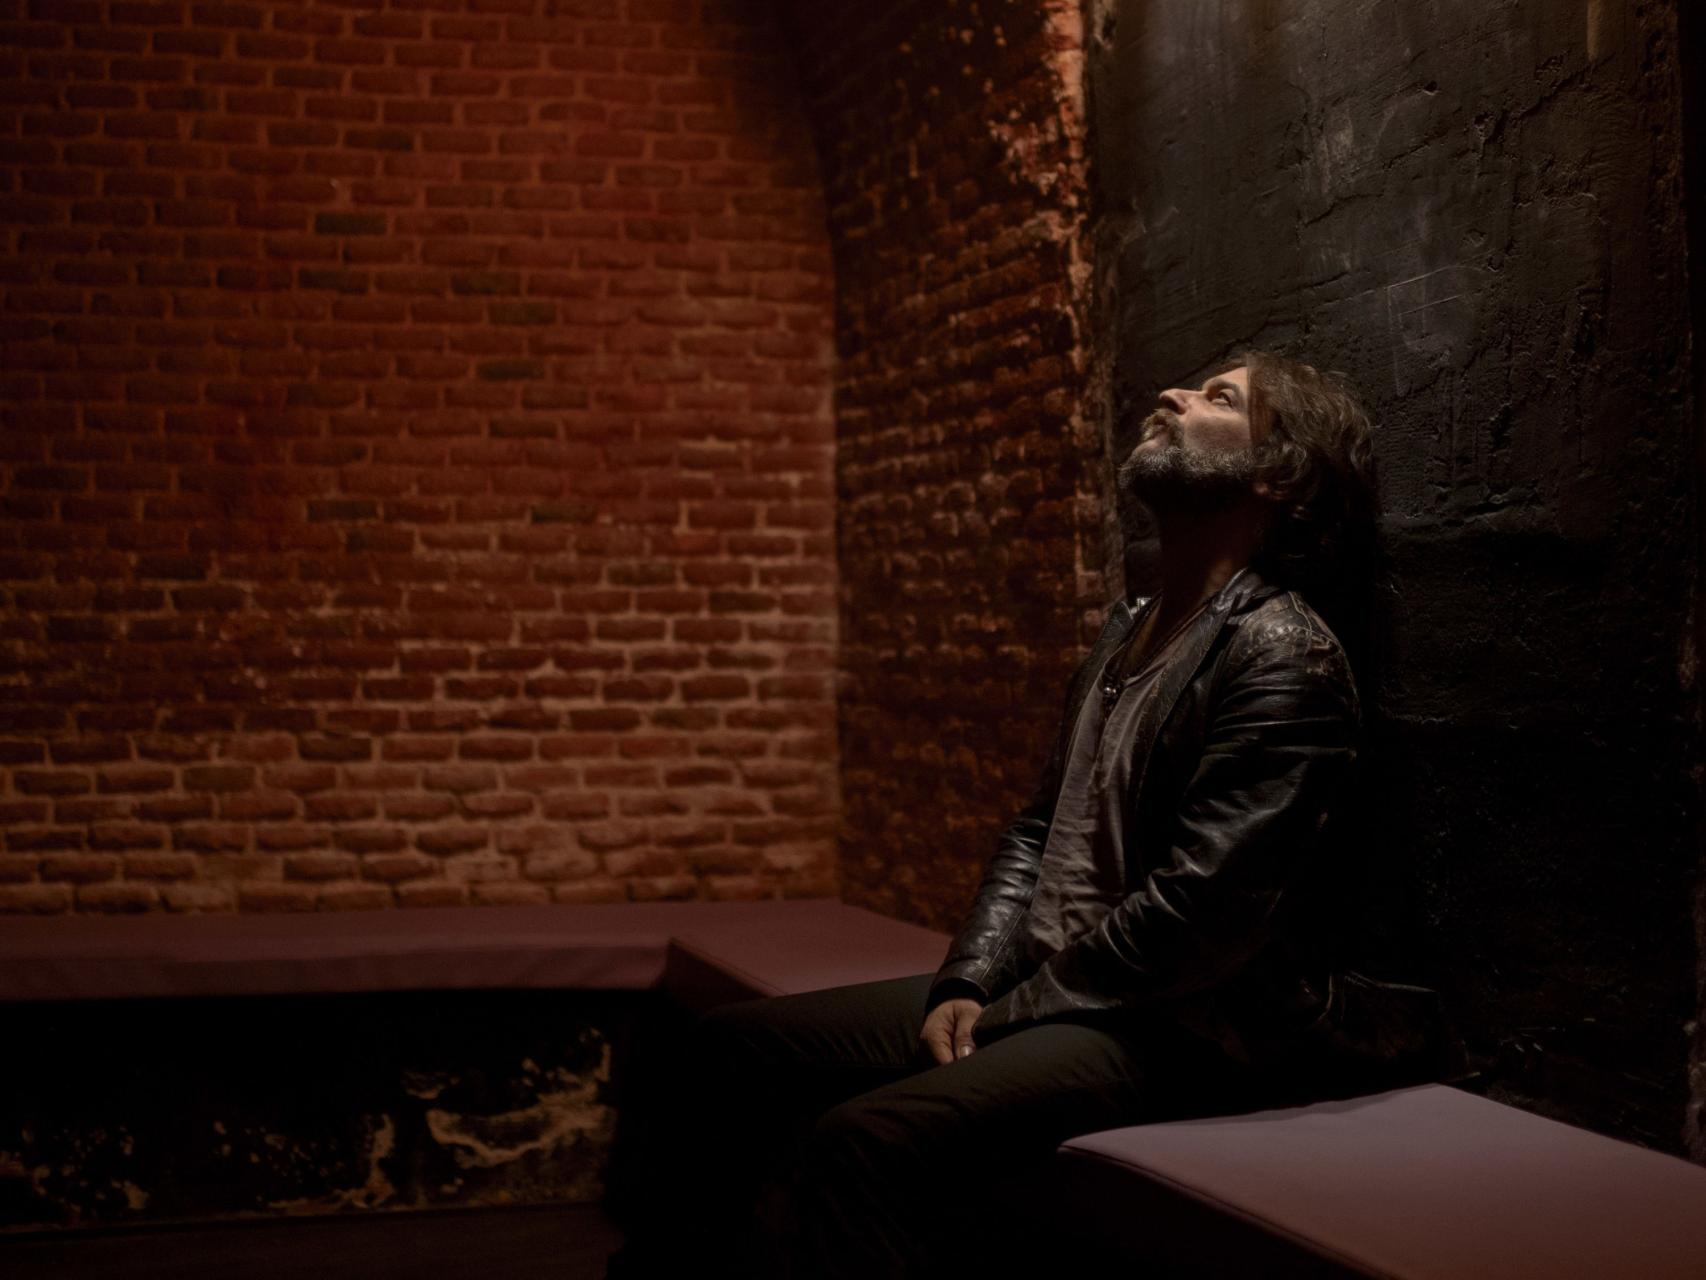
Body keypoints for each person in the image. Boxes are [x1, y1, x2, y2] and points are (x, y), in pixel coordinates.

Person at [605, 350, 1453, 1280]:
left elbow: (1200, 914)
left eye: (1220, 398)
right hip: (1062, 985)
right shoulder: (1130, 628)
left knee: (861, 1142)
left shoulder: (1283, 654)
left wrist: (1009, 1013)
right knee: (726, 1050)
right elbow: (1038, 830)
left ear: (1276, 474)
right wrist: (969, 979)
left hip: (1189, 1025)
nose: (1173, 394)